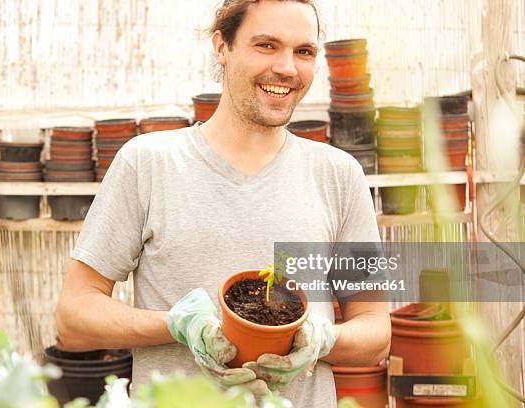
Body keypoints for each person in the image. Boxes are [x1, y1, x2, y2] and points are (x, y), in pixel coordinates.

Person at [56, 0, 391, 406]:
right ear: (222, 47)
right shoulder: (148, 164)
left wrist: (320, 338)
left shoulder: (338, 175)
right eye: (266, 45)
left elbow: (375, 330)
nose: (287, 67)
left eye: (303, 51)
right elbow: (73, 317)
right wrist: (178, 326)